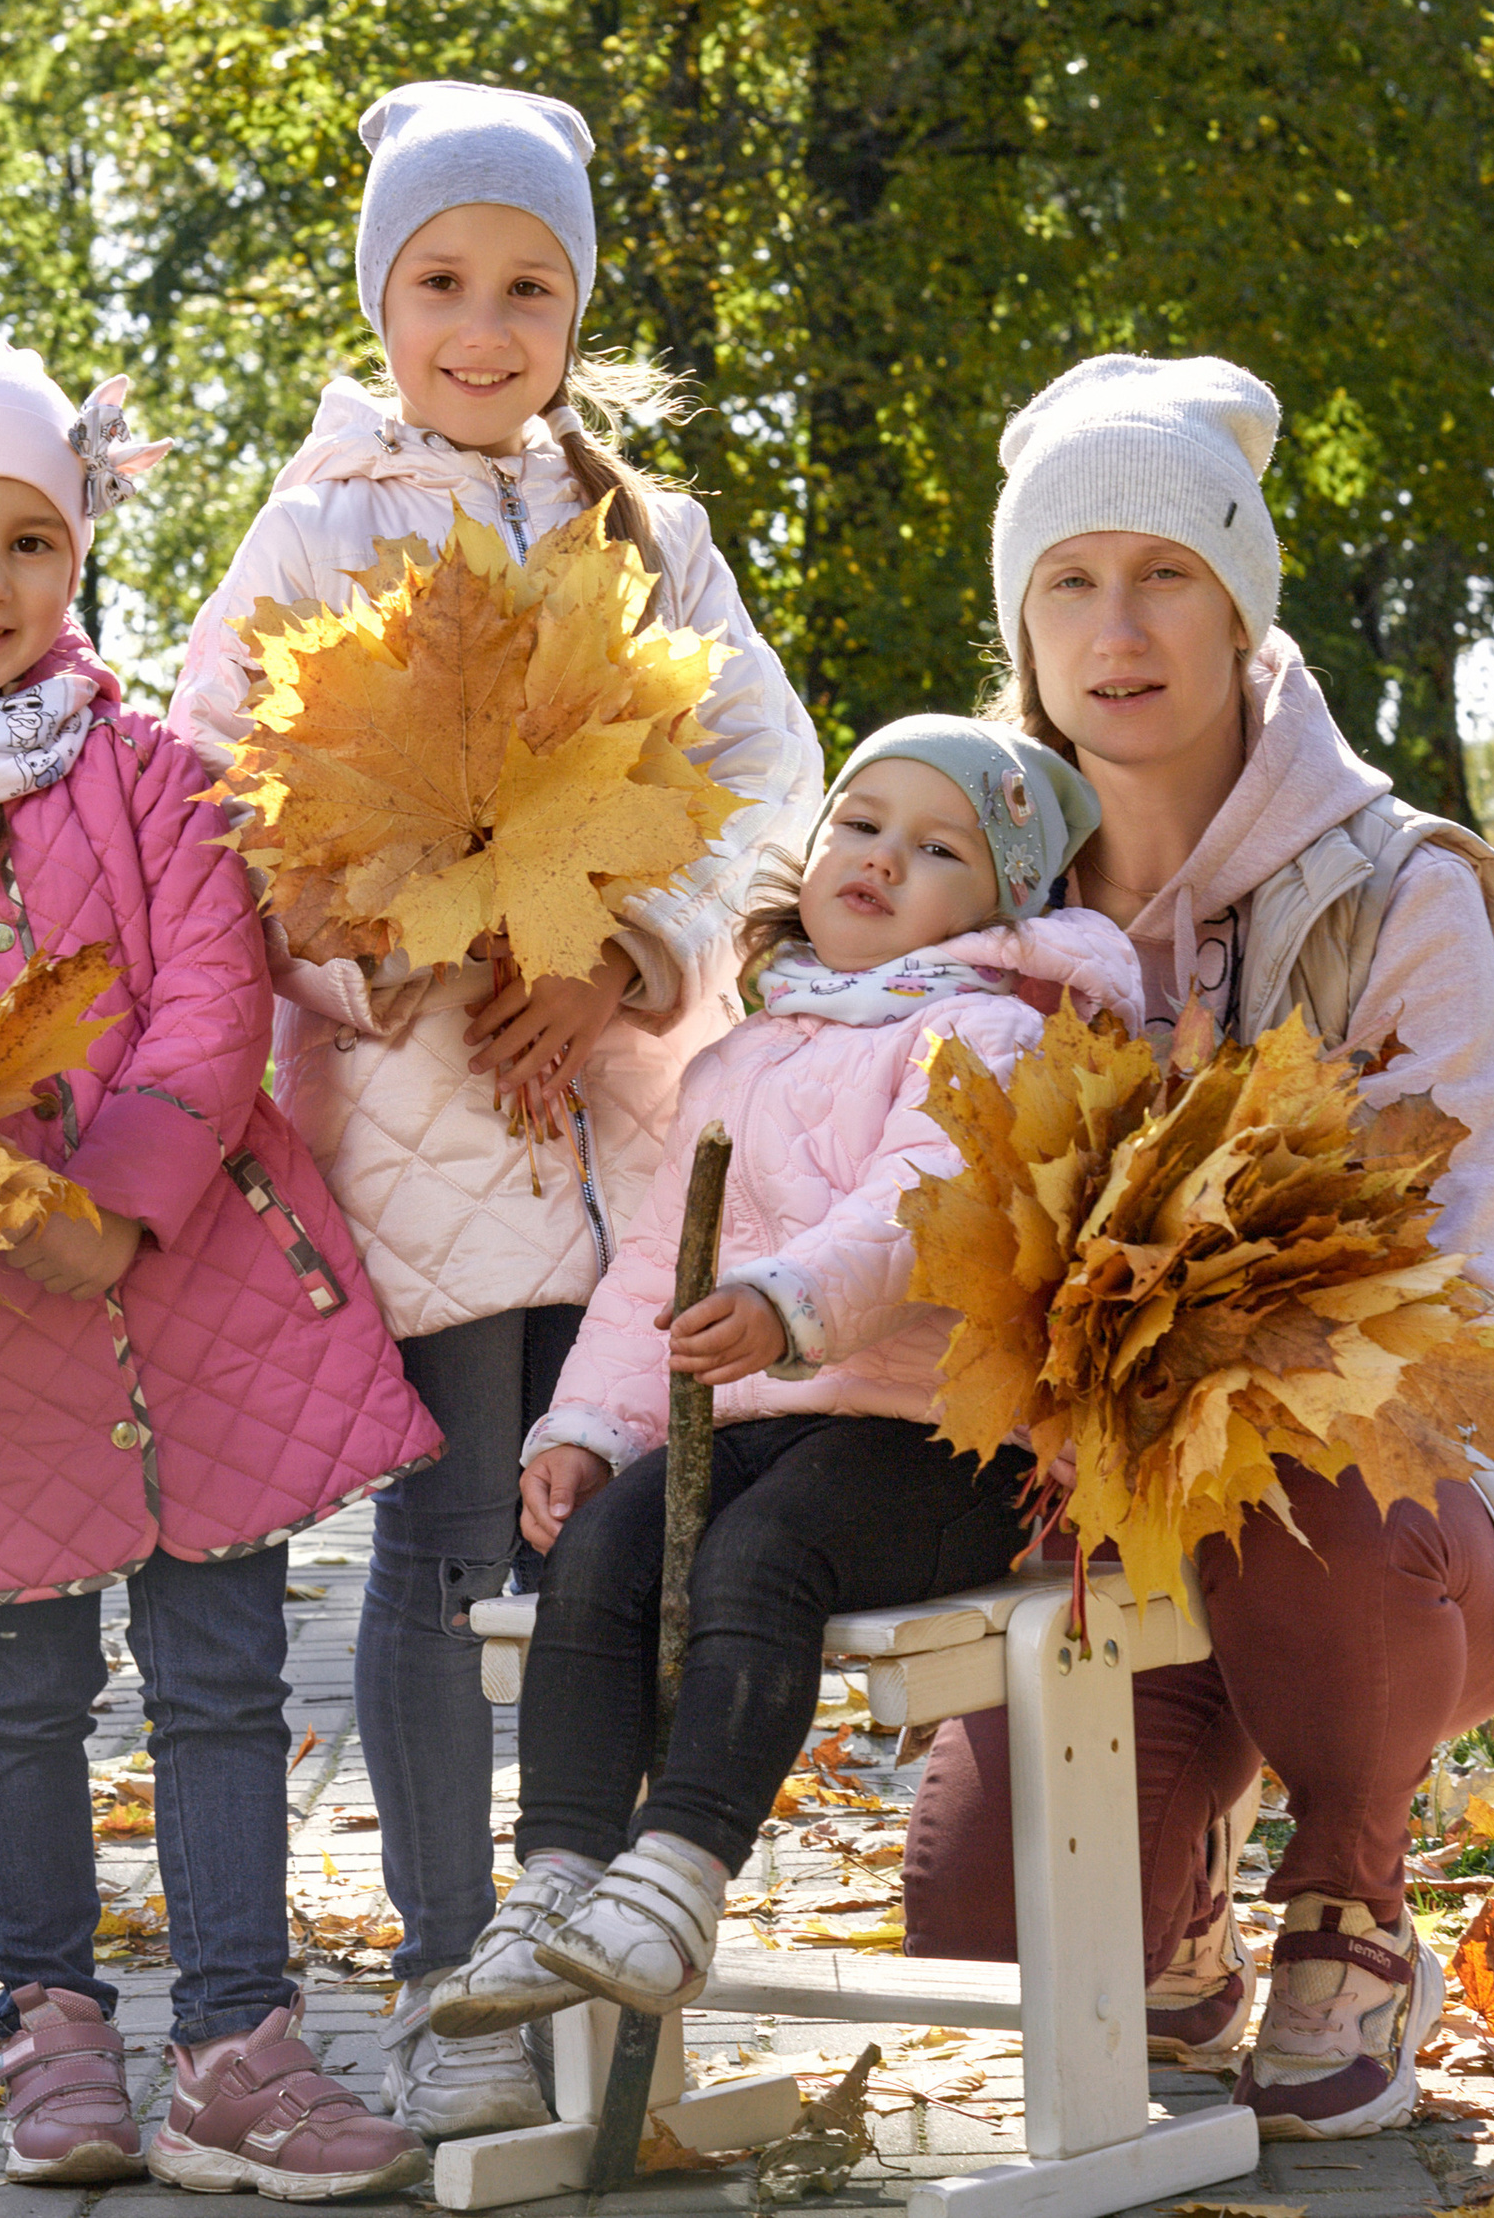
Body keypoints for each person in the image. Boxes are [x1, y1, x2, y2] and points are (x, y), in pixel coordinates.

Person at [169, 81, 823, 2137]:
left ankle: (594, 1971)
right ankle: (449, 1968)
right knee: (450, 1539)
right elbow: (216, 815)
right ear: (380, 299)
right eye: (439, 280)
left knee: (620, 1527)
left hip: (615, 1118)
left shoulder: (647, 532)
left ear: (572, 307)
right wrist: (410, 950)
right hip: (417, 1119)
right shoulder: (311, 524)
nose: (481, 324)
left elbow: (762, 776)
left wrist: (623, 947)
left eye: (526, 285)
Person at [0, 328, 440, 2199]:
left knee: (218, 1672)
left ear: (80, 558)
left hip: (188, 1289)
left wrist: (114, 1196)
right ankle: (49, 2017)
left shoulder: (147, 774)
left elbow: (210, 996)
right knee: (20, 1690)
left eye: (30, 540)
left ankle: (235, 2037)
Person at [897, 353, 1494, 2141]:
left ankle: (1355, 1890)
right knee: (981, 1928)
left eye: (1165, 573)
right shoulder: (970, 880)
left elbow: (1450, 1293)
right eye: (1068, 580)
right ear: (1021, 624)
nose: (1117, 626)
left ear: (1242, 604)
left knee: (1315, 1477)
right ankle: (1183, 1903)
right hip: (1088, 1504)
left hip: (1379, 1505)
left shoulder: (1398, 885)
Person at [419, 719, 1142, 2033]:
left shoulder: (985, 1031)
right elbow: (655, 1274)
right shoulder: (746, 1055)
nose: (879, 860)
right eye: (859, 825)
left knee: (758, 1559)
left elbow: (922, 1207)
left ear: (1002, 907)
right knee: (600, 1549)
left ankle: (681, 1875)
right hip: (762, 1427)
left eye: (937, 849)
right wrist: (585, 1426)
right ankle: (562, 1881)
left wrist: (784, 1303)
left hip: (939, 1446)